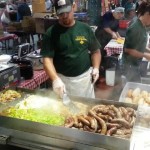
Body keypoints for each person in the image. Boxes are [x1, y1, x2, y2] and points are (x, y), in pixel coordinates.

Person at [41, 0, 101, 99]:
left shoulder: (85, 28)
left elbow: (96, 51)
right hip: (63, 82)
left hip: (84, 80)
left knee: (87, 110)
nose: (64, 16)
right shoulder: (51, 33)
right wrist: (55, 79)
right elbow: (47, 60)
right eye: (61, 13)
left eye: (67, 12)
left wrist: (96, 68)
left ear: (73, 7)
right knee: (66, 112)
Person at [122, 2, 150, 82]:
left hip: (135, 64)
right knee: (134, 87)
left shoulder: (142, 25)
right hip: (129, 65)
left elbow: (138, 45)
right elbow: (128, 50)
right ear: (147, 14)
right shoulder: (135, 27)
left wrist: (148, 51)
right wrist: (146, 55)